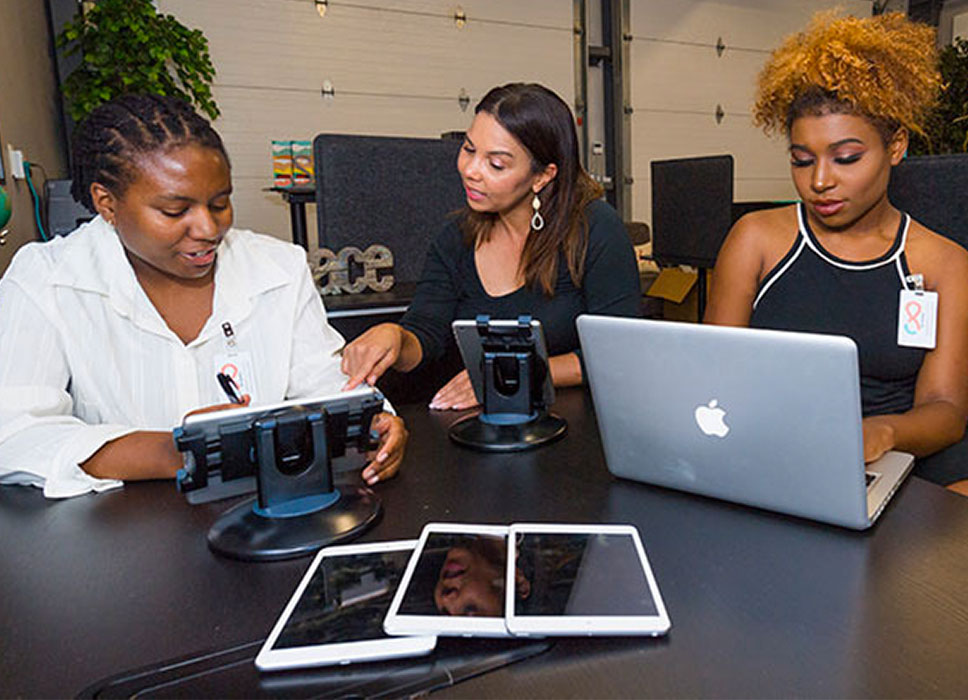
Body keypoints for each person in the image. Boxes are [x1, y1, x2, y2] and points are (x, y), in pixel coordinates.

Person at [0, 94, 407, 499]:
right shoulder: (46, 280)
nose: (209, 228)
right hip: (125, 540)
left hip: (263, 519)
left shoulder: (279, 267)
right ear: (106, 202)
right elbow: (15, 434)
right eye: (175, 211)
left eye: (220, 203)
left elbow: (325, 382)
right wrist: (171, 451)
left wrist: (373, 419)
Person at [704, 12, 968, 493]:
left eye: (846, 158)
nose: (819, 180)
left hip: (898, 463)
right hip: (773, 454)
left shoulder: (944, 263)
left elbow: (946, 411)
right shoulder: (755, 240)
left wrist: (882, 431)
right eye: (801, 160)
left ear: (896, 147)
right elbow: (712, 379)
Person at [340, 82, 641, 410]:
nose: (471, 171)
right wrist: (396, 339)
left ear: (542, 176)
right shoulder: (454, 237)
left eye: (496, 164)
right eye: (469, 149)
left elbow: (619, 353)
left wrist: (510, 373)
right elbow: (427, 333)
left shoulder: (596, 228)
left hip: (575, 423)